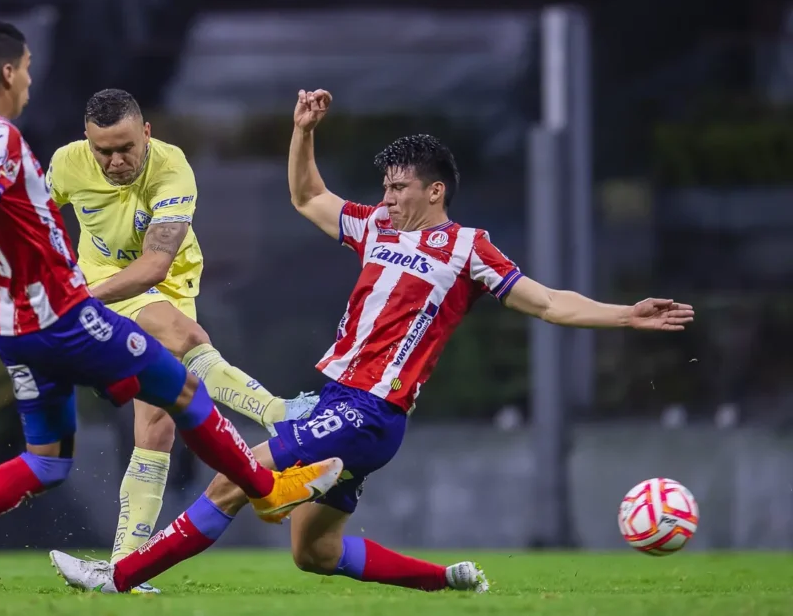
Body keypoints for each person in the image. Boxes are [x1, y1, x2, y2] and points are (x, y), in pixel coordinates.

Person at [49, 89, 696, 594]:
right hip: (348, 405)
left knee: (231, 481)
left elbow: (550, 302)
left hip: (366, 408)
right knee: (315, 552)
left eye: (399, 187)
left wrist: (625, 314)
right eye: (384, 186)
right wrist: (303, 131)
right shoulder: (376, 228)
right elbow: (308, 196)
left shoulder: (468, 248)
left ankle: (122, 575)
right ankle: (447, 579)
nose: (385, 197)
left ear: (435, 190)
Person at [0, 25, 342, 594]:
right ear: (10, 72)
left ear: (145, 132)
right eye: (30, 67)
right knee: (183, 382)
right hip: (68, 317)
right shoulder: (2, 139)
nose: (33, 81)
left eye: (124, 148)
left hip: (15, 328)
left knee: (50, 461)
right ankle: (269, 481)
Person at [45, 88, 317, 586]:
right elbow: (35, 218)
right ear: (87, 142)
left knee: (157, 429)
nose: (116, 160)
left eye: (126, 146)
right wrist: (56, 274)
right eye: (103, 151)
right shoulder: (66, 164)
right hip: (101, 287)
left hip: (152, 283)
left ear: (146, 133)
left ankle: (122, 565)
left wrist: (79, 299)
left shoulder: (172, 168)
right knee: (185, 334)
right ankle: (280, 414)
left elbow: (154, 266)